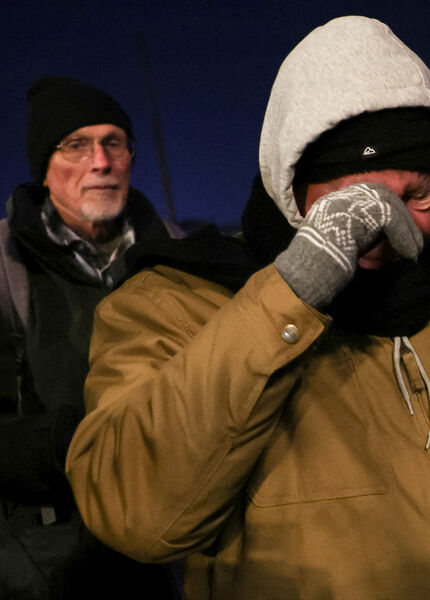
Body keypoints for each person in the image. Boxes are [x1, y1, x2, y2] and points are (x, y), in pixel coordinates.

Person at [65, 16, 430, 600]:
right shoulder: (173, 302)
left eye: (416, 196)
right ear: (291, 192)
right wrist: (295, 287)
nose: (388, 226)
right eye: (355, 200)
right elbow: (134, 513)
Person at [0, 77, 178, 598]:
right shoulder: (7, 268)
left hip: (174, 548)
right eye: (76, 145)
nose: (101, 162)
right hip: (51, 559)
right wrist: (71, 441)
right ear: (44, 167)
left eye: (113, 143)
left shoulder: (180, 251)